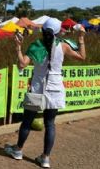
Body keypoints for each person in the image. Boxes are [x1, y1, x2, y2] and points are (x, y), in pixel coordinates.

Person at [5, 18, 86, 168]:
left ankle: (18, 150)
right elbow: (82, 57)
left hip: (37, 87)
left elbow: (22, 64)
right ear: (58, 32)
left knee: (27, 122)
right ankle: (45, 158)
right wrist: (80, 39)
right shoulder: (63, 46)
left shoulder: (36, 45)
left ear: (42, 30)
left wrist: (18, 47)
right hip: (55, 88)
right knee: (50, 124)